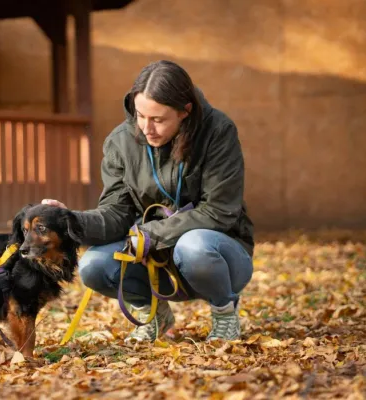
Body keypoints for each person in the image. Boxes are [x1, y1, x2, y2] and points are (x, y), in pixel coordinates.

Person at [42, 60, 254, 343]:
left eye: (158, 119)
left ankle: (225, 314)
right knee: (93, 264)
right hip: (154, 257)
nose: (146, 128)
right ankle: (153, 315)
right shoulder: (121, 142)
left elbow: (218, 210)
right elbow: (117, 212)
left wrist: (152, 233)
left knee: (195, 245)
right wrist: (72, 222)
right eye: (140, 115)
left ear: (185, 112)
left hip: (217, 257)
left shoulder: (218, 131)